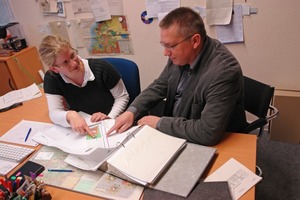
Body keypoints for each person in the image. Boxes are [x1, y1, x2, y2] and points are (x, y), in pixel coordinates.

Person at [107, 7, 248, 146]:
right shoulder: (181, 55)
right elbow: (159, 86)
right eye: (164, 45)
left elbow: (207, 132)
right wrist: (132, 111)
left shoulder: (224, 72)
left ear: (195, 41)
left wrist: (160, 123)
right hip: (179, 128)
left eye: (170, 46)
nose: (165, 53)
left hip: (217, 142)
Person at [39, 35, 129, 137]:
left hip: (113, 121)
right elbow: (54, 112)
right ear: (55, 69)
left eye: (72, 55)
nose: (74, 63)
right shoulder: (52, 78)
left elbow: (122, 97)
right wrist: (70, 115)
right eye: (65, 62)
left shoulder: (101, 68)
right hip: (87, 125)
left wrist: (110, 117)